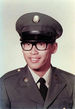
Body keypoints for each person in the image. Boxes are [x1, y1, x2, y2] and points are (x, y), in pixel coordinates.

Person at [0, 12, 75, 109]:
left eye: (40, 44)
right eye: (27, 44)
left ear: (54, 48)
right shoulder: (6, 84)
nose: (33, 51)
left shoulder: (71, 83)